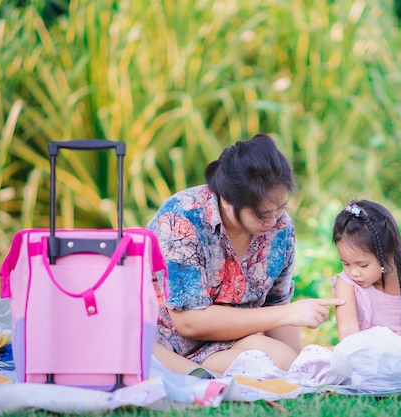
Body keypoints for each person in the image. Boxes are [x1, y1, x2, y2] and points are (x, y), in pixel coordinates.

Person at [147, 133, 344, 376]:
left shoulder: (280, 229)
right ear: (229, 201)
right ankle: (189, 374)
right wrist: (288, 313)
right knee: (270, 362)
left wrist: (299, 369)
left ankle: (201, 377)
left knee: (284, 359)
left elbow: (276, 304)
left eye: (280, 208)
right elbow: (189, 321)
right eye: (262, 214)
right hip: (164, 343)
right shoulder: (182, 218)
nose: (273, 221)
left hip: (226, 345)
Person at [330, 200, 401, 355]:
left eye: (362, 265)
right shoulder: (347, 285)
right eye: (346, 263)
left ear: (388, 253)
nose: (353, 272)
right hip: (371, 361)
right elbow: (348, 337)